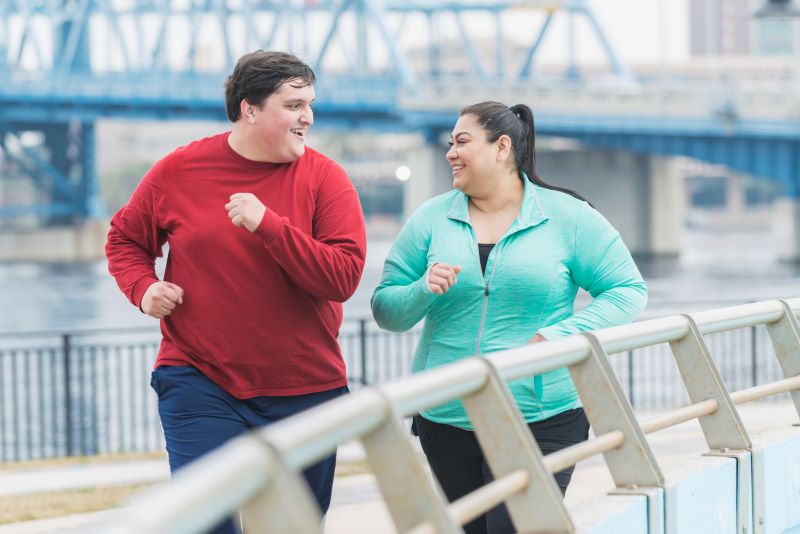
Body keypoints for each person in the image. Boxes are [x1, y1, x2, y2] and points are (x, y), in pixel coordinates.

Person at [106, 50, 366, 533]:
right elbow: (125, 239)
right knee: (204, 521)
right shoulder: (177, 171)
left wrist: (270, 226)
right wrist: (143, 288)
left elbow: (342, 278)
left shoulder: (326, 178)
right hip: (199, 378)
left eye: (309, 105)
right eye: (293, 105)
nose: (307, 117)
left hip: (303, 387)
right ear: (250, 109)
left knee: (293, 529)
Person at [371, 101, 647, 534]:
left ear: (501, 147)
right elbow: (386, 311)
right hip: (447, 412)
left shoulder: (569, 217)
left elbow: (628, 291)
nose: (450, 152)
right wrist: (422, 289)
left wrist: (558, 337)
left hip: (542, 415)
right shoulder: (431, 219)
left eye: (462, 142)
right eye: (450, 143)